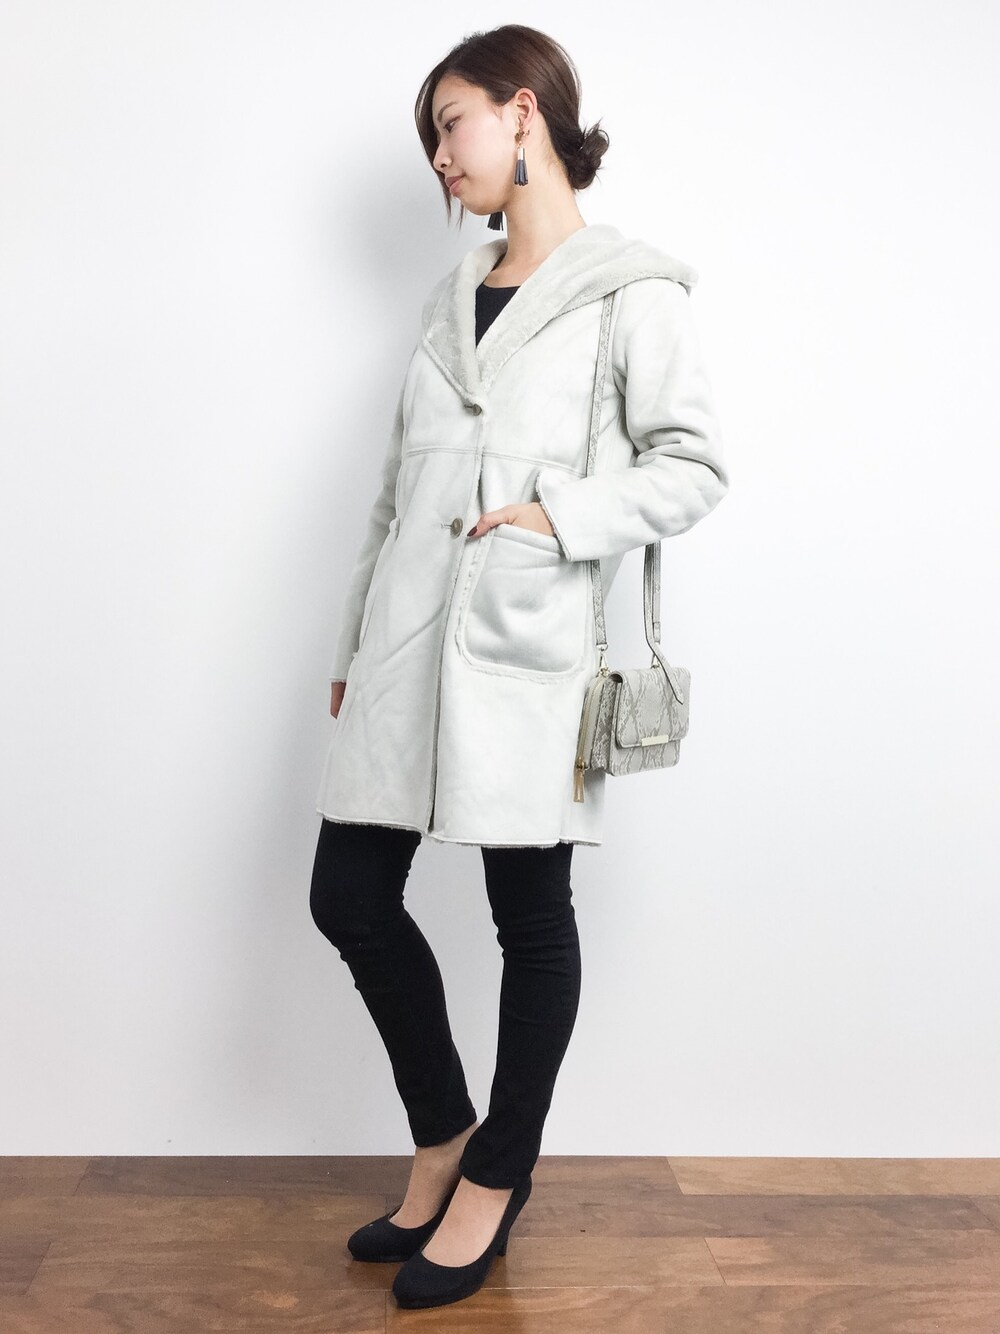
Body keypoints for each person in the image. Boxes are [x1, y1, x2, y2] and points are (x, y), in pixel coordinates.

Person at [309, 23, 729, 1312]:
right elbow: (395, 494)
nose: (441, 158)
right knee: (348, 893)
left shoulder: (632, 291)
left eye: (452, 125)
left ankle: (499, 1172)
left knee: (528, 917)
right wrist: (354, 642)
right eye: (433, 138)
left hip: (528, 648)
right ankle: (444, 1134)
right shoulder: (448, 300)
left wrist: (559, 517)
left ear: (524, 113)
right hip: (404, 640)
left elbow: (693, 466)